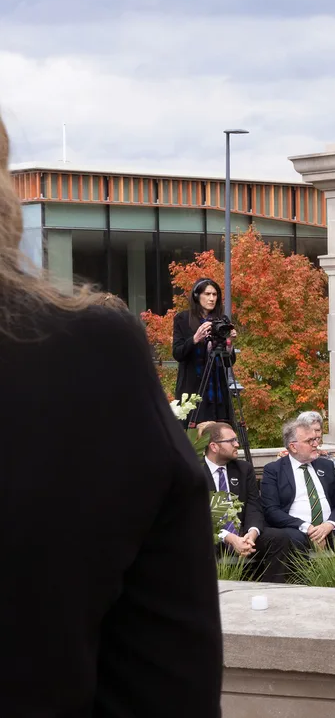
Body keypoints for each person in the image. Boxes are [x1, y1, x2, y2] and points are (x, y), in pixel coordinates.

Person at [0, 110, 221, 714]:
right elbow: (166, 666)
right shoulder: (84, 353)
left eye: (210, 295)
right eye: (203, 293)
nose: (208, 299)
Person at [261, 419, 335, 563]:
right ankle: (301, 585)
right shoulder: (274, 470)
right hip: (295, 529)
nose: (316, 444)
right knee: (293, 540)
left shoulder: (326, 466)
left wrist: (329, 525)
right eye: (309, 441)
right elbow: (271, 510)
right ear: (293, 447)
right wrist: (307, 527)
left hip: (328, 528)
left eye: (316, 439)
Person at [202, 421, 289, 583]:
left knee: (279, 538)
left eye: (236, 439)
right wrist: (229, 538)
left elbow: (254, 506)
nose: (237, 444)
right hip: (210, 536)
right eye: (231, 441)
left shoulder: (243, 469)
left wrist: (252, 533)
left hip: (243, 534)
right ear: (214, 446)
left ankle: (273, 590)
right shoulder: (193, 471)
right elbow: (196, 517)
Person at [172, 277, 237, 424]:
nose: (212, 298)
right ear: (197, 296)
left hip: (217, 388)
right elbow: (177, 353)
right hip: (193, 387)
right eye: (207, 294)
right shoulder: (182, 319)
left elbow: (228, 362)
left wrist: (229, 343)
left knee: (220, 433)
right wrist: (195, 339)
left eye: (215, 295)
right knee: (196, 434)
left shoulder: (222, 320)